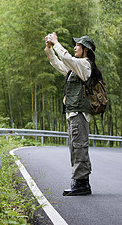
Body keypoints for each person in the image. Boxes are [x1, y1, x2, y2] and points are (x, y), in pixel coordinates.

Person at [44, 32, 102, 196]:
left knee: (79, 147)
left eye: (78, 45)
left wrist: (56, 43)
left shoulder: (85, 65)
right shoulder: (75, 68)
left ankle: (81, 183)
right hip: (73, 112)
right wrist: (49, 49)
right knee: (74, 148)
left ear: (86, 50)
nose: (75, 47)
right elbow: (58, 63)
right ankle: (80, 182)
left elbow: (67, 59)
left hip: (79, 114)